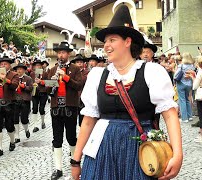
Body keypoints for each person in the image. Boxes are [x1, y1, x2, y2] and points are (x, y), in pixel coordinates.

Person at [71, 4, 182, 180]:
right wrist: (76, 161)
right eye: (105, 41)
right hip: (103, 149)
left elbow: (169, 115)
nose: (106, 45)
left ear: (128, 41)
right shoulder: (98, 75)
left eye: (112, 40)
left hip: (139, 149)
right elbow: (88, 121)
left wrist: (177, 154)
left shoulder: (151, 72)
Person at [48, 41, 83, 180]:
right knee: (57, 138)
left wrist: (67, 77)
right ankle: (58, 168)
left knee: (71, 137)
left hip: (70, 106)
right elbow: (45, 89)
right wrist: (50, 82)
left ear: (68, 54)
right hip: (56, 106)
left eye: (63, 52)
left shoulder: (75, 69)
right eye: (59, 52)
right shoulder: (52, 69)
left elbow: (79, 85)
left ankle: (74, 164)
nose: (60, 55)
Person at [0, 54, 19, 157]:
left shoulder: (14, 74)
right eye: (1, 64)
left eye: (5, 64)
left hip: (9, 103)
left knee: (9, 125)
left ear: (9, 65)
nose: (3, 65)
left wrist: (6, 80)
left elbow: (14, 86)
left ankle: (12, 141)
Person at [13, 63, 33, 143]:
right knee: (15, 118)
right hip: (15, 100)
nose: (19, 71)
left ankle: (26, 129)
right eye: (18, 69)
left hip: (25, 100)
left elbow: (31, 88)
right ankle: (17, 136)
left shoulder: (28, 78)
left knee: (24, 118)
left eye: (21, 69)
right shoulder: (14, 78)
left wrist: (24, 87)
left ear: (24, 70)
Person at [174, 53, 196, 122]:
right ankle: (190, 116)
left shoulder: (181, 66)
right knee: (187, 99)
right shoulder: (192, 66)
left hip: (181, 83)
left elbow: (175, 75)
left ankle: (184, 118)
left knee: (182, 100)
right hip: (189, 84)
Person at [30, 58, 48, 132]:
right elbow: (30, 82)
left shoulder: (45, 73)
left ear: (41, 66)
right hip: (35, 93)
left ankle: (43, 122)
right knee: (34, 108)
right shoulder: (32, 74)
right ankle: (35, 125)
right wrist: (33, 83)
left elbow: (49, 82)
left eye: (39, 65)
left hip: (43, 92)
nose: (37, 67)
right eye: (36, 65)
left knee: (41, 108)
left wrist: (41, 81)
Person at [71, 54, 89, 126]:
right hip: (73, 97)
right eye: (77, 62)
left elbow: (83, 81)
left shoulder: (87, 72)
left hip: (83, 97)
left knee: (82, 120)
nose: (79, 64)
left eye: (81, 62)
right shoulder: (71, 72)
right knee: (72, 120)